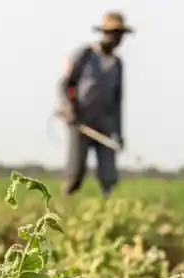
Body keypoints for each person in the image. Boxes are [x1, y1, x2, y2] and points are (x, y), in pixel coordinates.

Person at [58, 12, 131, 199]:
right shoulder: (85, 55)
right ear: (104, 33)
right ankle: (63, 206)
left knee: (109, 175)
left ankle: (109, 210)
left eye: (120, 34)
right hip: (81, 122)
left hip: (105, 124)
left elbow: (117, 102)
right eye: (114, 33)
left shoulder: (118, 64)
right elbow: (65, 84)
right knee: (76, 172)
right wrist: (69, 109)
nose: (117, 39)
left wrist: (119, 134)